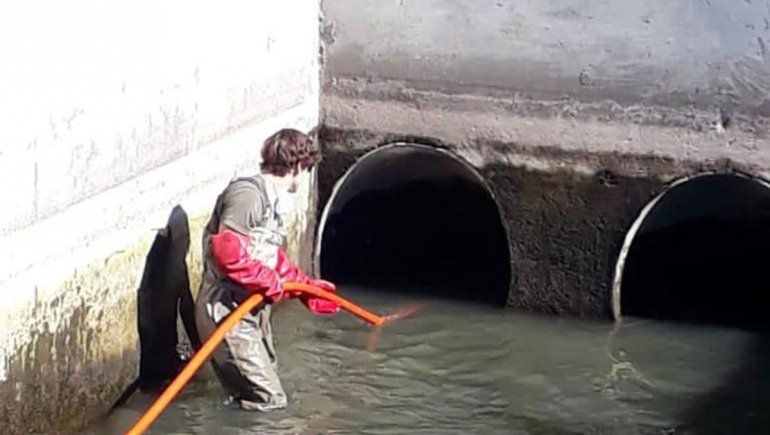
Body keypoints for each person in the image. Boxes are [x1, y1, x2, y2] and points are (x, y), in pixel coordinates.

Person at [194, 128, 340, 411]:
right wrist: (266, 280)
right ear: (297, 166)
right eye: (306, 169)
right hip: (226, 311)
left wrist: (305, 287)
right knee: (269, 400)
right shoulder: (248, 195)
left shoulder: (272, 205)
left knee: (260, 388)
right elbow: (225, 251)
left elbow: (270, 258)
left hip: (251, 310)